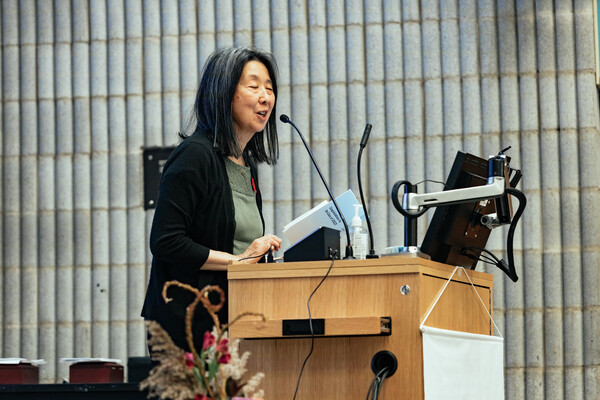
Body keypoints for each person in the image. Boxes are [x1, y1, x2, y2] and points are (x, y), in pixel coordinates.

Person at [142, 46, 282, 351]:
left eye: (269, 89)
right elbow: (165, 241)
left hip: (232, 323)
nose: (265, 97)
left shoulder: (247, 165)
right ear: (223, 92)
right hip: (187, 330)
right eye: (254, 85)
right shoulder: (195, 155)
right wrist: (240, 261)